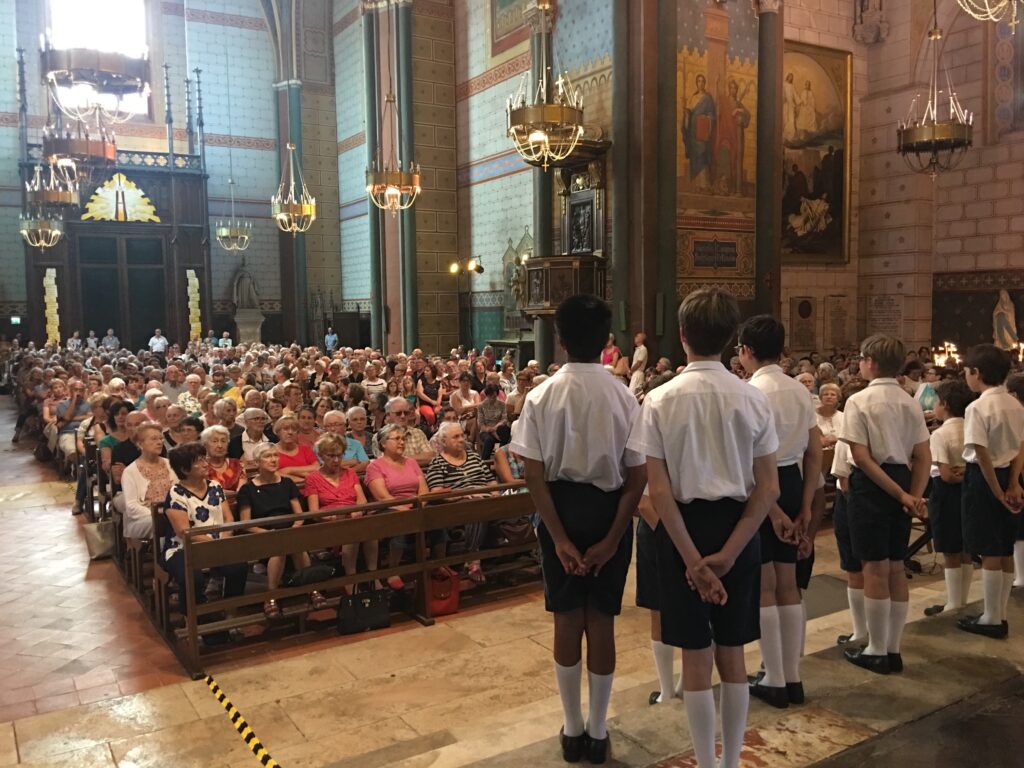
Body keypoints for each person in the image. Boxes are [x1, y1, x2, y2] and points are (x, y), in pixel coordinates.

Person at [627, 288, 779, 768]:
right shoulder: (752, 398)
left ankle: (706, 763)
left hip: (681, 531)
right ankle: (732, 762)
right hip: (739, 526)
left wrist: (694, 561)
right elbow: (768, 489)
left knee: (696, 655)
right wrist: (731, 554)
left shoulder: (659, 399)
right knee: (733, 654)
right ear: (733, 339)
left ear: (683, 336)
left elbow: (659, 491)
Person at [510, 294, 646, 765]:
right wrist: (612, 538)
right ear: (606, 341)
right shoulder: (624, 395)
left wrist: (561, 539)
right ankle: (598, 728)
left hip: (559, 507)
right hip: (611, 509)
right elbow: (637, 475)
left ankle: (572, 729)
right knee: (601, 618)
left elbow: (532, 474)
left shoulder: (541, 395)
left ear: (561, 340)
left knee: (567, 617)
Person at [738, 316, 821, 709]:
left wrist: (770, 513)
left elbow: (750, 458)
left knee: (766, 585)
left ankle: (773, 676)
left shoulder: (751, 392)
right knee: (790, 584)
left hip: (763, 487)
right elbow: (813, 450)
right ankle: (794, 676)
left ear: (747, 351)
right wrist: (804, 506)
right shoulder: (799, 389)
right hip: (792, 482)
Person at [839, 335, 930, 674]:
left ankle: (876, 649)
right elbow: (923, 455)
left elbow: (861, 458)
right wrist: (915, 495)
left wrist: (902, 495)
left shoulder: (859, 400)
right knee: (895, 566)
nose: (859, 363)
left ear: (872, 362)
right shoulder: (909, 401)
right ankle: (893, 647)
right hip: (903, 480)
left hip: (876, 486)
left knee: (874, 568)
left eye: (862, 358)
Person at [958, 344, 1024, 638]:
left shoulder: (977, 407)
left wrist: (997, 491)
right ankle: (1000, 613)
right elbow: (1021, 447)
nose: (965, 377)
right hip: (1010, 473)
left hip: (984, 480)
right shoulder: (1015, 404)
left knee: (988, 550)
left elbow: (981, 454)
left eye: (967, 372)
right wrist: (1014, 483)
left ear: (977, 373)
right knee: (1005, 546)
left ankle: (991, 618)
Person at [163, 442, 248, 644]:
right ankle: (193, 622)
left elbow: (228, 518)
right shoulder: (176, 493)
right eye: (198, 461)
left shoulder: (215, 487)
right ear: (184, 469)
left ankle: (230, 616)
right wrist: (212, 543)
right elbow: (184, 531)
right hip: (183, 547)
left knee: (238, 567)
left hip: (217, 543)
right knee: (191, 576)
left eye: (204, 458)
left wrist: (225, 537)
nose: (205, 463)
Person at [237, 442, 326, 618]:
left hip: (289, 529)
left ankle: (311, 590)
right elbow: (246, 523)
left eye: (275, 455)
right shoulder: (247, 489)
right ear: (257, 462)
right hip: (263, 533)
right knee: (280, 547)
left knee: (294, 543)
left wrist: (295, 526)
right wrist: (269, 533)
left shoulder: (287, 483)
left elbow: (299, 515)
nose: (273, 459)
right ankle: (271, 597)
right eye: (268, 456)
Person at [922, 380, 976, 618]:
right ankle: (962, 600)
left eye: (935, 401)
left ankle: (953, 603)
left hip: (946, 495)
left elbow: (945, 475)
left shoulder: (940, 434)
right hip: (971, 491)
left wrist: (957, 473)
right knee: (965, 547)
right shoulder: (972, 427)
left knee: (950, 551)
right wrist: (965, 472)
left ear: (944, 404)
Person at [365, 423, 437, 591]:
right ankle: (393, 570)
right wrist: (404, 510)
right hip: (390, 507)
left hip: (415, 505)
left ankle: (437, 562)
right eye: (396, 439)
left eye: (403, 439)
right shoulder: (375, 466)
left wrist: (420, 504)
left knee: (436, 513)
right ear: (383, 443)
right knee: (401, 522)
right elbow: (382, 497)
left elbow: (423, 489)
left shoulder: (411, 462)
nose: (401, 442)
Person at [425, 421, 497, 584]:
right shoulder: (438, 463)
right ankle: (474, 560)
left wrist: (495, 493)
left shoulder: (473, 457)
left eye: (462, 435)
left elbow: (491, 481)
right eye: (455, 437)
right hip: (457, 505)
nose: (461, 439)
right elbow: (436, 494)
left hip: (484, 499)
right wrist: (461, 496)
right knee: (475, 508)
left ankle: (472, 556)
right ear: (444, 442)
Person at [304, 433, 373, 593]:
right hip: (330, 523)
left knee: (370, 529)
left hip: (353, 517)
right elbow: (314, 512)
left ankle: (373, 575)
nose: (336, 460)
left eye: (339, 455)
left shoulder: (350, 473)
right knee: (353, 531)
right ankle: (351, 578)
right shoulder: (313, 478)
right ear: (321, 455)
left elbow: (361, 500)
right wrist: (333, 516)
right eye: (331, 456)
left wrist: (358, 511)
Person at [120, 422, 176, 540]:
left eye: (161, 438)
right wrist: (158, 514)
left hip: (172, 514)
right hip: (142, 519)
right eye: (154, 439)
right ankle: (167, 555)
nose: (160, 442)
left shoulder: (170, 464)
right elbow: (131, 507)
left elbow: (179, 492)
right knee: (163, 523)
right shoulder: (130, 471)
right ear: (140, 444)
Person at [272, 415, 320, 481]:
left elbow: (316, 468)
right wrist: (302, 478)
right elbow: (273, 474)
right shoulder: (271, 451)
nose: (290, 432)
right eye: (286, 429)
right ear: (278, 432)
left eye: (294, 429)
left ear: (297, 433)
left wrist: (288, 470)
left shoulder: (305, 449)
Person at [201, 425, 246, 493]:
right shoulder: (201, 466)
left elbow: (242, 490)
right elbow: (206, 491)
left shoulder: (237, 464)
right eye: (215, 441)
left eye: (223, 441)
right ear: (205, 445)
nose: (220, 445)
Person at [476, 383, 509, 460]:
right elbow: (480, 424)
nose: (492, 398)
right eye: (490, 396)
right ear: (487, 395)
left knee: (506, 431)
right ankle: (484, 462)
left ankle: (501, 457)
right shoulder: (481, 406)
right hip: (486, 430)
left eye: (494, 396)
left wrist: (495, 428)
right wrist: (489, 430)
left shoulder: (502, 404)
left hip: (498, 428)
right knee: (489, 440)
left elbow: (504, 419)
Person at [816, 383, 844, 448]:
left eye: (833, 395)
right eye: (825, 394)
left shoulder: (843, 416)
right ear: (820, 398)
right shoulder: (812, 417)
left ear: (838, 398)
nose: (829, 397)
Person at [629, 332, 648, 397]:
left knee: (633, 394)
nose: (635, 337)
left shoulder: (643, 349)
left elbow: (638, 363)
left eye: (637, 336)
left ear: (641, 338)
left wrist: (630, 371)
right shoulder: (637, 349)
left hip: (638, 373)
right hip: (635, 373)